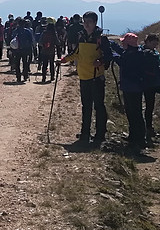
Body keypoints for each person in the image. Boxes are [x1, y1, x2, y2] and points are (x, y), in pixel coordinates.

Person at [61, 11, 111, 144]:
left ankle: (100, 134)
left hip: (96, 77)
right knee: (86, 106)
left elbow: (108, 56)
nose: (86, 24)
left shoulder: (101, 38)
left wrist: (101, 61)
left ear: (95, 23)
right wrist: (64, 60)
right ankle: (85, 133)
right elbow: (76, 52)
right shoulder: (81, 36)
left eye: (89, 22)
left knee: (98, 106)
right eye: (85, 21)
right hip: (84, 76)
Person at [111, 33, 150, 151]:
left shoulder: (132, 55)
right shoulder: (135, 53)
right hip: (133, 87)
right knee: (132, 112)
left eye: (123, 42)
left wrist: (111, 52)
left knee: (135, 113)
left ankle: (139, 139)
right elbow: (121, 54)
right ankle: (134, 137)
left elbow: (120, 60)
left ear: (128, 44)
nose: (122, 44)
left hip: (132, 88)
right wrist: (112, 45)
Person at [10, 18, 35, 84]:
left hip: (17, 50)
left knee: (17, 63)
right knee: (25, 63)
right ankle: (25, 75)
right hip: (25, 50)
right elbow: (31, 41)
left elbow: (12, 40)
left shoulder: (15, 31)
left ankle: (18, 77)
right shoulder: (27, 31)